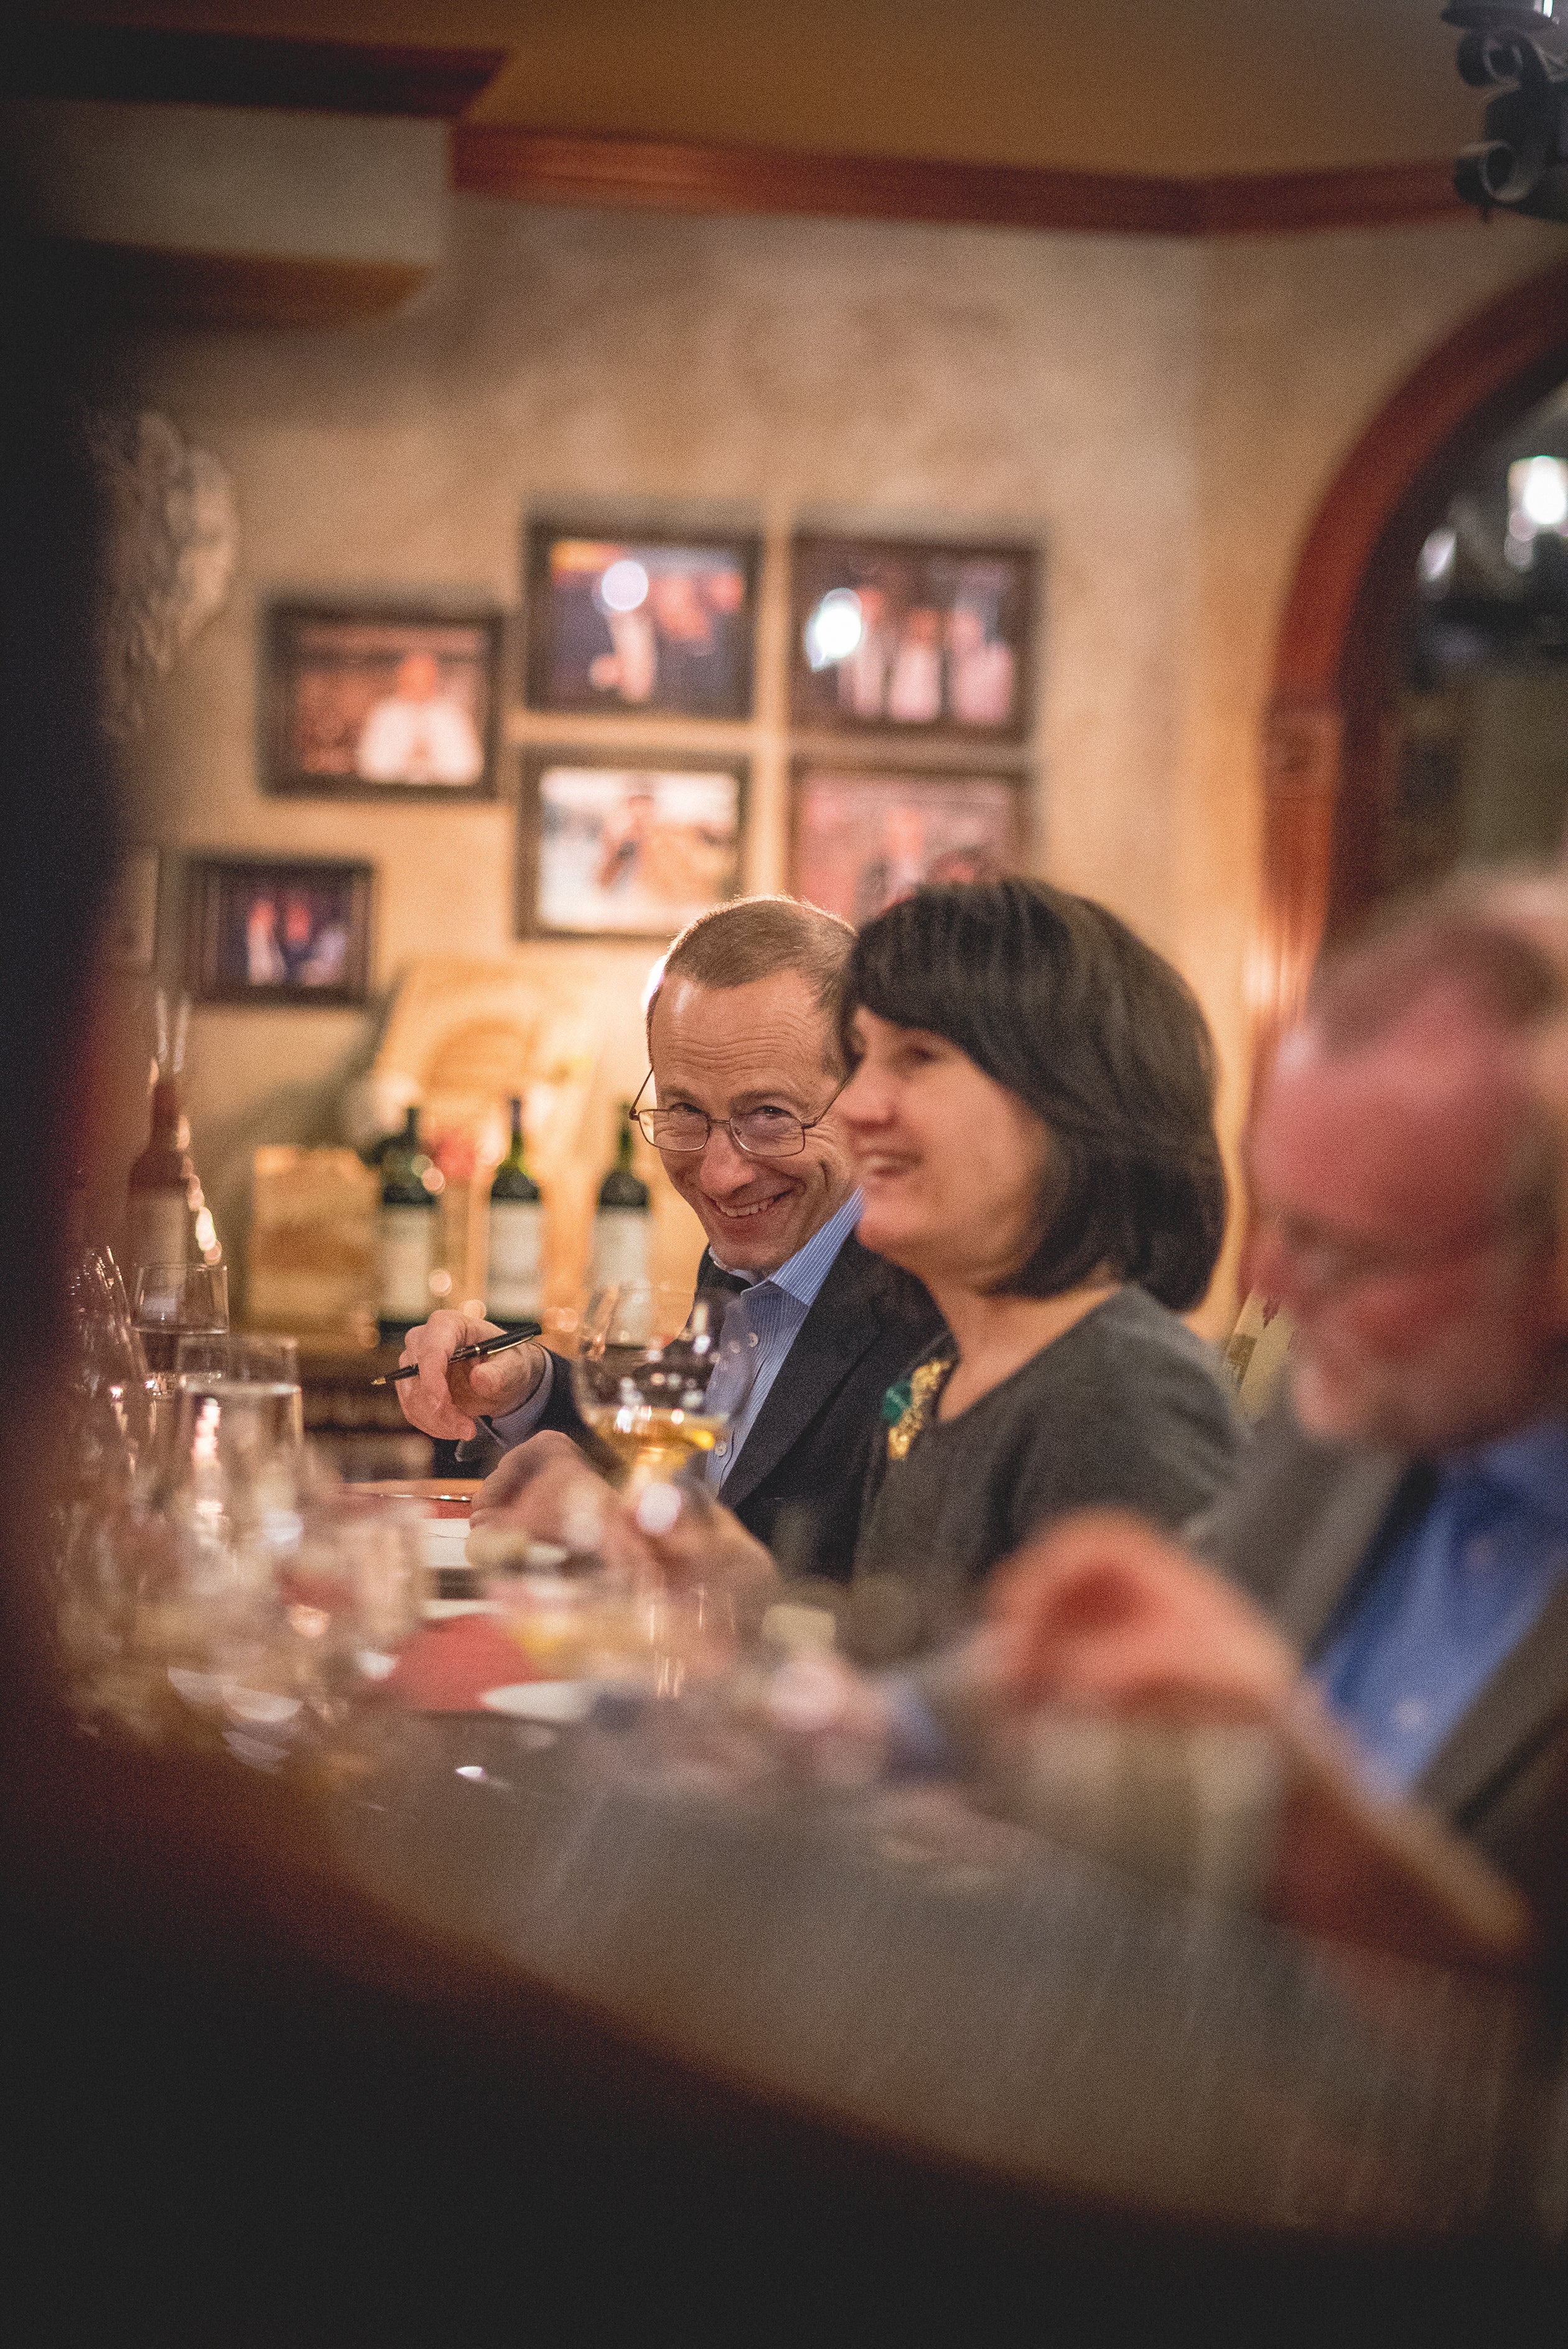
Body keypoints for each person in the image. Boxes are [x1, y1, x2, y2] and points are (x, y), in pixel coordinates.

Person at [974, 877, 1568, 1958]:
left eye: (1338, 1250)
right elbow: (1143, 1648)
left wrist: (1309, 1821)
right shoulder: (1356, 1405)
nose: (1272, 1289)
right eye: (1273, 1218)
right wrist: (847, 1706)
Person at [490, 881, 1247, 1649]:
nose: (857, 1110)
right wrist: (749, 1594)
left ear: (1067, 1101)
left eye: (915, 1059)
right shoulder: (951, 1377)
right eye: (863, 1060)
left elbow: (1116, 1746)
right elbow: (915, 1680)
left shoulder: (1123, 1389)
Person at [396, 895, 944, 1581]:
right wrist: (525, 1385)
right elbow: (703, 1466)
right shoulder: (760, 1254)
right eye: (685, 1111)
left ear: (865, 1099)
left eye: (769, 1115)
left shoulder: (940, 1302)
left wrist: (608, 1522)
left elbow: (908, 1628)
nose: (719, 1173)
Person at [355, 650, 484, 786]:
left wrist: (431, 762)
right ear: (401, 678)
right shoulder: (384, 715)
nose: (417, 686)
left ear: (434, 680)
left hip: (444, 799)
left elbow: (469, 768)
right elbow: (369, 766)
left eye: (423, 679)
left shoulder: (453, 717)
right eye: (411, 680)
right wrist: (407, 761)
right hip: (391, 798)